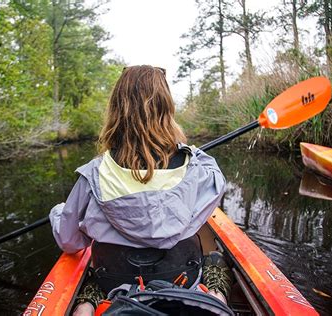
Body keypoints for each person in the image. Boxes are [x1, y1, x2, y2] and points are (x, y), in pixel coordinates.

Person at [49, 65, 229, 316]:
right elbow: (209, 200)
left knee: (93, 280)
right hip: (182, 278)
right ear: (167, 109)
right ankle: (216, 298)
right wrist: (191, 152)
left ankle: (85, 307)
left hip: (113, 281)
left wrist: (59, 213)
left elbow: (70, 242)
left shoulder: (92, 174)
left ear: (116, 109)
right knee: (214, 260)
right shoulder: (200, 170)